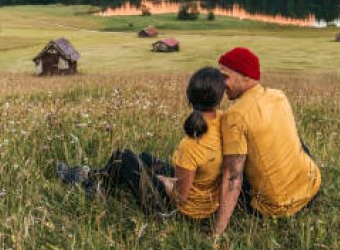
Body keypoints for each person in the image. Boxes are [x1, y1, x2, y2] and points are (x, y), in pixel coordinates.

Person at [57, 67, 225, 219]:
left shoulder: (190, 145)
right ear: (219, 99)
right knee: (143, 158)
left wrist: (163, 181)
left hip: (179, 212)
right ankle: (94, 177)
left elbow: (180, 198)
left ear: (189, 97)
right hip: (206, 200)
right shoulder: (223, 121)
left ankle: (90, 182)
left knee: (123, 157)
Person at [213, 47, 321, 236]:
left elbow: (233, 178)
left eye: (225, 77)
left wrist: (217, 233)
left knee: (223, 168)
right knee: (295, 141)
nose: (220, 84)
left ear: (246, 77)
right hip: (312, 187)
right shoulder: (278, 95)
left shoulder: (235, 116)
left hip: (278, 208)